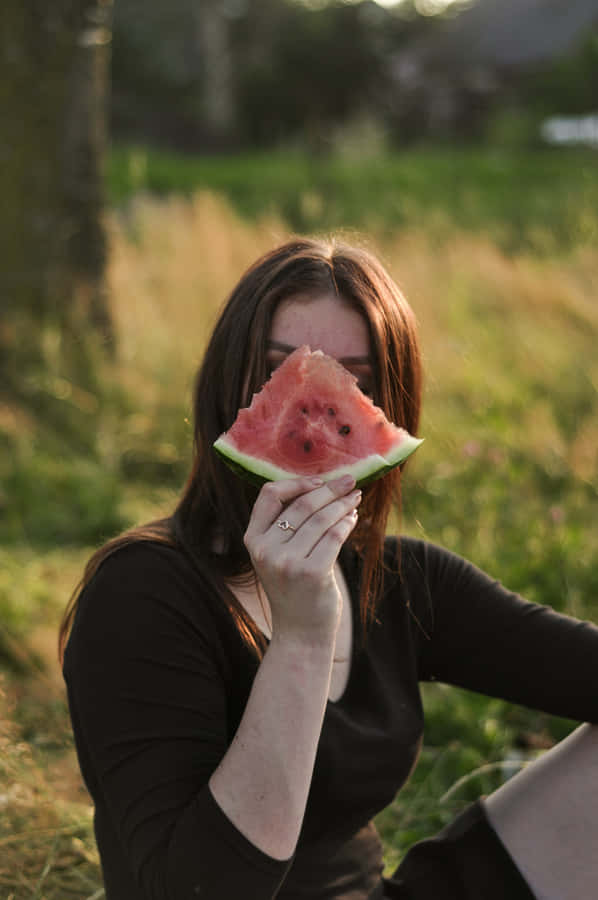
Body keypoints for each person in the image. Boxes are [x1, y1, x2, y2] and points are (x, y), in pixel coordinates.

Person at [59, 237, 598, 900]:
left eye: (355, 385)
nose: (311, 407)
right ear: (224, 391)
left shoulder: (399, 581)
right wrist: (304, 639)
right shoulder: (142, 594)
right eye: (278, 373)